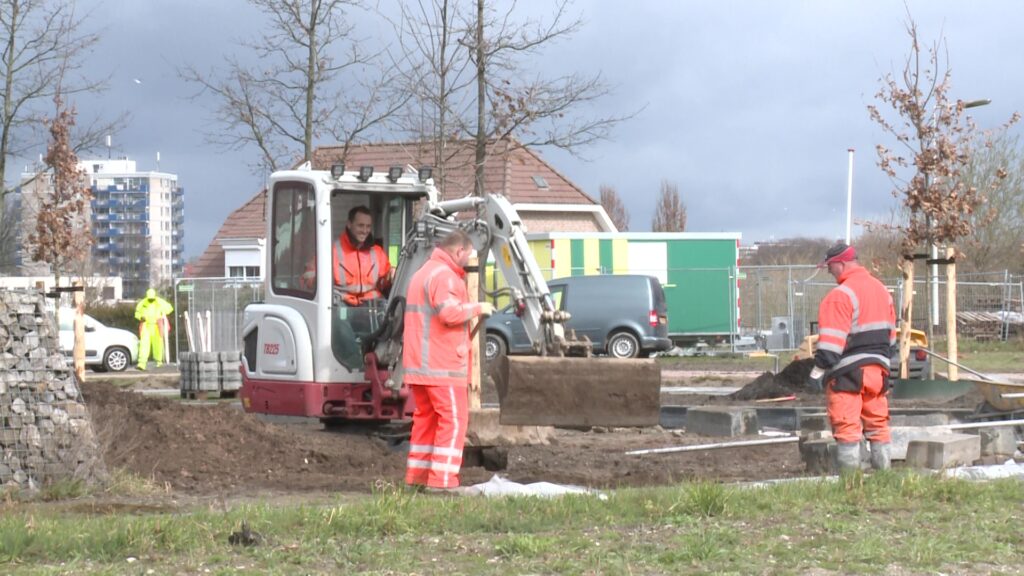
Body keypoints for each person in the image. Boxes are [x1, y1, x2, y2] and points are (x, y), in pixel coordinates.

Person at [402, 230, 495, 491]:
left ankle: (417, 478)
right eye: (468, 255)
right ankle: (442, 482)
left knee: (426, 421)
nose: (468, 260)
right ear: (459, 251)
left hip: (420, 367)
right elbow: (449, 313)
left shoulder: (422, 273)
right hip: (442, 366)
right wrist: (478, 307)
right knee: (453, 421)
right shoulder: (446, 277)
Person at [808, 242, 897, 472]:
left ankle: (850, 483)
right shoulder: (882, 291)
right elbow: (892, 339)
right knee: (878, 424)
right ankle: (884, 476)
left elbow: (830, 346)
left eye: (830, 267)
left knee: (846, 425)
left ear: (841, 263)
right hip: (878, 372)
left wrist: (817, 372)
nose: (829, 271)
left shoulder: (839, 296)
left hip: (848, 374)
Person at [332, 205, 392, 306]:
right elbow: (310, 278)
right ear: (349, 224)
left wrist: (392, 276)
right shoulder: (332, 251)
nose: (365, 231)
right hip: (342, 305)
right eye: (360, 225)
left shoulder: (377, 252)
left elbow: (385, 281)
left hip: (371, 306)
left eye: (368, 226)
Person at [135, 288, 174, 371]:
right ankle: (142, 363)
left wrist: (162, 314)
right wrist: (140, 317)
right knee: (144, 345)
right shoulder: (142, 303)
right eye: (150, 299)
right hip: (146, 326)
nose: (151, 300)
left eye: (152, 299)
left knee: (158, 344)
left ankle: (159, 362)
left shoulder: (160, 302)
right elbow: (137, 313)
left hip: (157, 326)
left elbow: (170, 308)